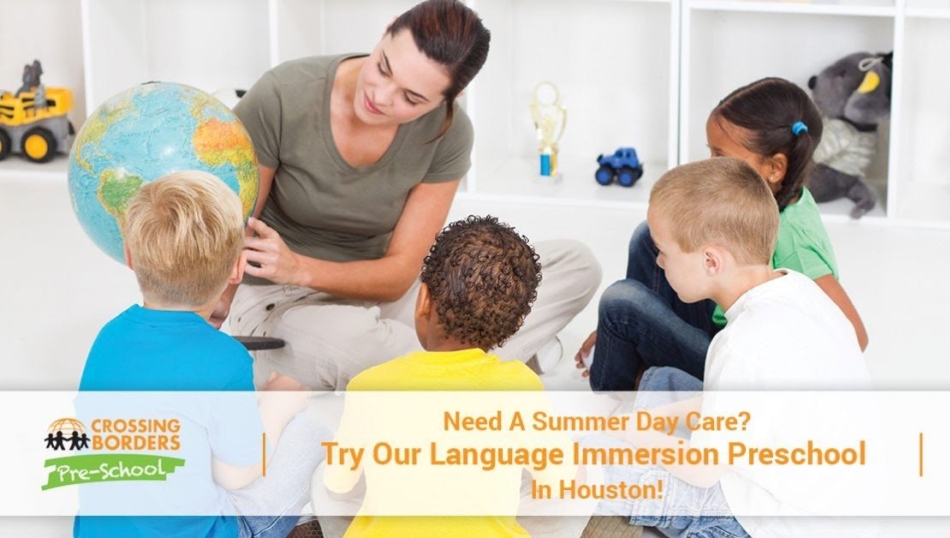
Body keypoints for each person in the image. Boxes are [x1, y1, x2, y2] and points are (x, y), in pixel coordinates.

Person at [222, 0, 600, 390]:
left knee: (576, 264)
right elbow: (229, 231)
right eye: (383, 67)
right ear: (386, 31)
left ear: (448, 99)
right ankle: (482, 367)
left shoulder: (449, 133)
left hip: (382, 290)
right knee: (374, 349)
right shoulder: (283, 95)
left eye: (412, 98)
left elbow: (400, 274)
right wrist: (209, 314)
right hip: (282, 301)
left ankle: (440, 373)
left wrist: (301, 266)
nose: (382, 96)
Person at [593, 158, 871, 538]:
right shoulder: (797, 288)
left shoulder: (742, 346)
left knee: (595, 468)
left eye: (663, 252)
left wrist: (633, 434)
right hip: (829, 485)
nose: (657, 261)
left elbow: (703, 470)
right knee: (664, 380)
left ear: (710, 260)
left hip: (776, 516)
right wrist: (651, 423)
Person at [76, 172, 327, 538]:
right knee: (309, 433)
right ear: (236, 269)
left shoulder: (107, 338)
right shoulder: (226, 358)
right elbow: (238, 475)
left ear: (129, 256)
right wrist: (277, 406)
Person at [579, 77, 868, 391]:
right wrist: (618, 335)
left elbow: (855, 336)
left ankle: (613, 399)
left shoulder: (792, 239)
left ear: (775, 168)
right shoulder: (772, 197)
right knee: (650, 238)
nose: (712, 165)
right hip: (723, 316)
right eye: (711, 153)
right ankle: (628, 344)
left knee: (620, 303)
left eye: (722, 156)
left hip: (734, 353)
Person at [320, 215, 576, 537]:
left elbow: (338, 486)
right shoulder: (521, 389)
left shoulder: (369, 386)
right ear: (513, 327)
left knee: (322, 477)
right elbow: (559, 482)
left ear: (423, 299)